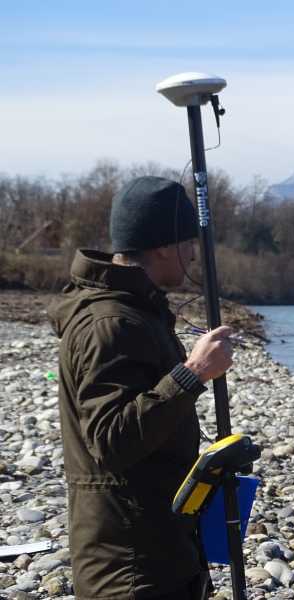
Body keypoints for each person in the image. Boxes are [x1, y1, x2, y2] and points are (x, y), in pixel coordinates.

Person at [49, 176, 234, 600]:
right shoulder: (110, 324)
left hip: (155, 552)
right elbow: (111, 440)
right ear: (162, 246)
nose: (192, 254)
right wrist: (193, 373)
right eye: (188, 242)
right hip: (130, 570)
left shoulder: (134, 312)